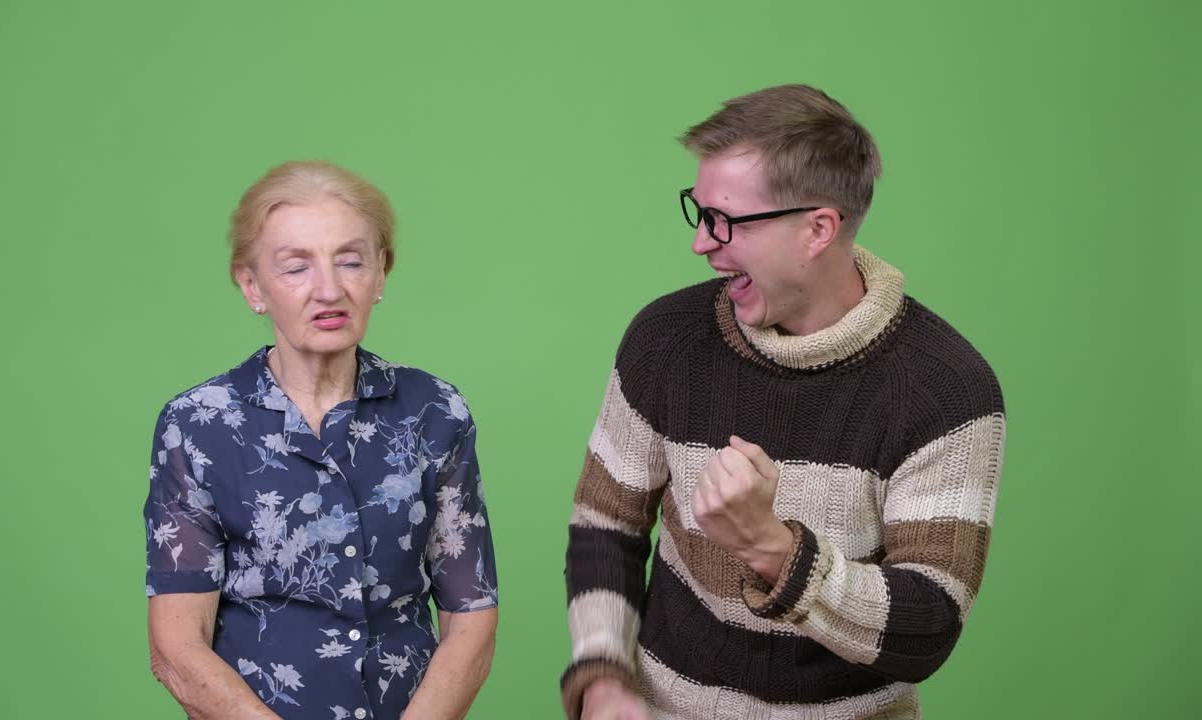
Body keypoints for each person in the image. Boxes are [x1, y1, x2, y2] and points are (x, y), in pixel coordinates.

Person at [561, 85, 1006, 719]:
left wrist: (770, 546)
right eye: (700, 210)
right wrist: (603, 674)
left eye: (727, 221)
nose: (702, 243)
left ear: (817, 229)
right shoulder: (665, 342)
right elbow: (606, 524)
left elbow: (926, 627)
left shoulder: (947, 391)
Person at [144, 160, 498, 720]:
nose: (329, 289)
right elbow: (177, 647)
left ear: (381, 273)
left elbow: (470, 613)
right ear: (251, 284)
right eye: (296, 268)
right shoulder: (198, 424)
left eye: (351, 261)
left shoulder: (436, 410)